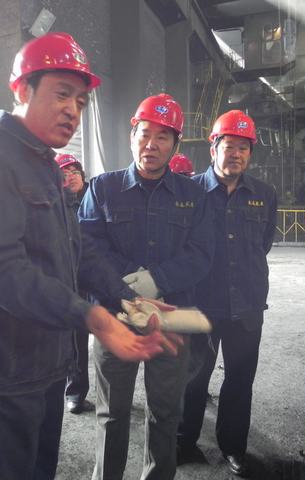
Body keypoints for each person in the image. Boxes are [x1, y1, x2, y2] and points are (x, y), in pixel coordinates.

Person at [0, 33, 174, 480]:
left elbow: (75, 250)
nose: (73, 110)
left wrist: (125, 299)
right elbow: (1, 272)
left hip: (44, 366)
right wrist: (93, 317)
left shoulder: (43, 162)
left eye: (81, 102)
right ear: (22, 89)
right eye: (62, 94)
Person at [79, 93, 214, 480]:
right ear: (132, 136)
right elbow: (87, 249)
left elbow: (201, 254)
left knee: (165, 414)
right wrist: (130, 285)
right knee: (111, 414)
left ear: (175, 144)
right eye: (144, 134)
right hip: (115, 316)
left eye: (162, 137)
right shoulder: (102, 189)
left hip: (171, 320)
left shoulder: (193, 196)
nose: (150, 144)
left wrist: (157, 280)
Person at [177, 110, 277, 477]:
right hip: (200, 304)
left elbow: (263, 244)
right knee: (192, 378)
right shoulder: (190, 193)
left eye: (243, 148)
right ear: (213, 149)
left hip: (246, 304)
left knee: (239, 379)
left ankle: (233, 447)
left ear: (250, 154)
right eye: (229, 145)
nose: (235, 154)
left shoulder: (264, 195)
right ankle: (183, 442)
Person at [55, 153, 95, 414]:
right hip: (71, 282)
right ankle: (75, 393)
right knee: (76, 341)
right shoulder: (53, 204)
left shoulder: (96, 198)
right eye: (64, 174)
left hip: (97, 280)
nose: (70, 177)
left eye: (74, 172)